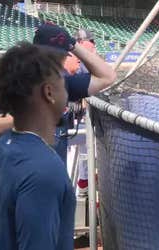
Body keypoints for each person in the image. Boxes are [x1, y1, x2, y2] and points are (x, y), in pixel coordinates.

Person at [0, 42, 75, 249]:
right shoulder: (43, 170)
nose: (67, 90)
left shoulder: (3, 145)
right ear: (49, 93)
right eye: (63, 83)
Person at [33, 23, 116, 164]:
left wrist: (73, 44)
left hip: (56, 181)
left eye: (62, 56)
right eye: (51, 56)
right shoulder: (10, 86)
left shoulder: (63, 84)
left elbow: (108, 77)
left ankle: (83, 181)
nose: (59, 62)